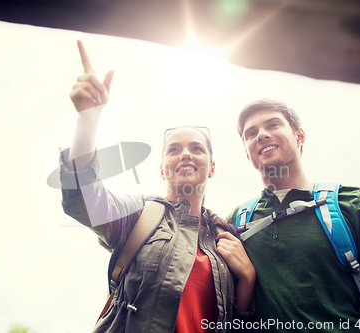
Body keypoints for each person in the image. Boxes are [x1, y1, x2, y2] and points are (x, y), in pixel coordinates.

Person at [59, 40, 256, 332]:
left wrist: (248, 279)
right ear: (162, 167)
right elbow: (82, 198)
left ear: (212, 167)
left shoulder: (226, 237)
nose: (186, 154)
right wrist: (88, 120)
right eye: (174, 149)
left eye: (196, 149)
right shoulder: (138, 214)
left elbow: (240, 324)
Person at [226, 98, 360, 333]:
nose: (261, 135)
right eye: (251, 133)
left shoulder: (352, 203)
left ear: (299, 136)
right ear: (247, 153)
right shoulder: (234, 223)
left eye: (273, 125)